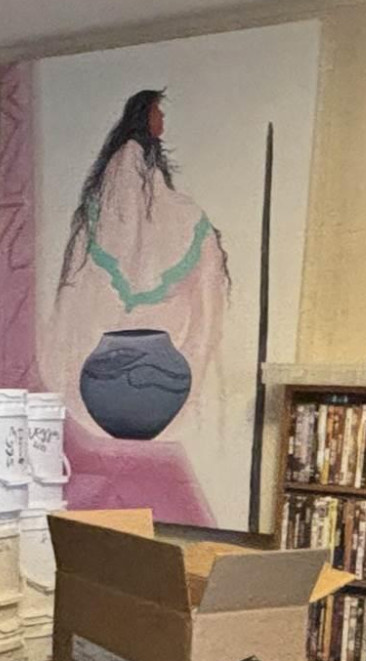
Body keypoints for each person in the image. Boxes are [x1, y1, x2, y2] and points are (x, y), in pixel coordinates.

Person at [39, 89, 230, 461]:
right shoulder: (129, 154)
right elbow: (130, 215)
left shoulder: (143, 156)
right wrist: (187, 218)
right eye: (159, 113)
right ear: (145, 115)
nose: (163, 122)